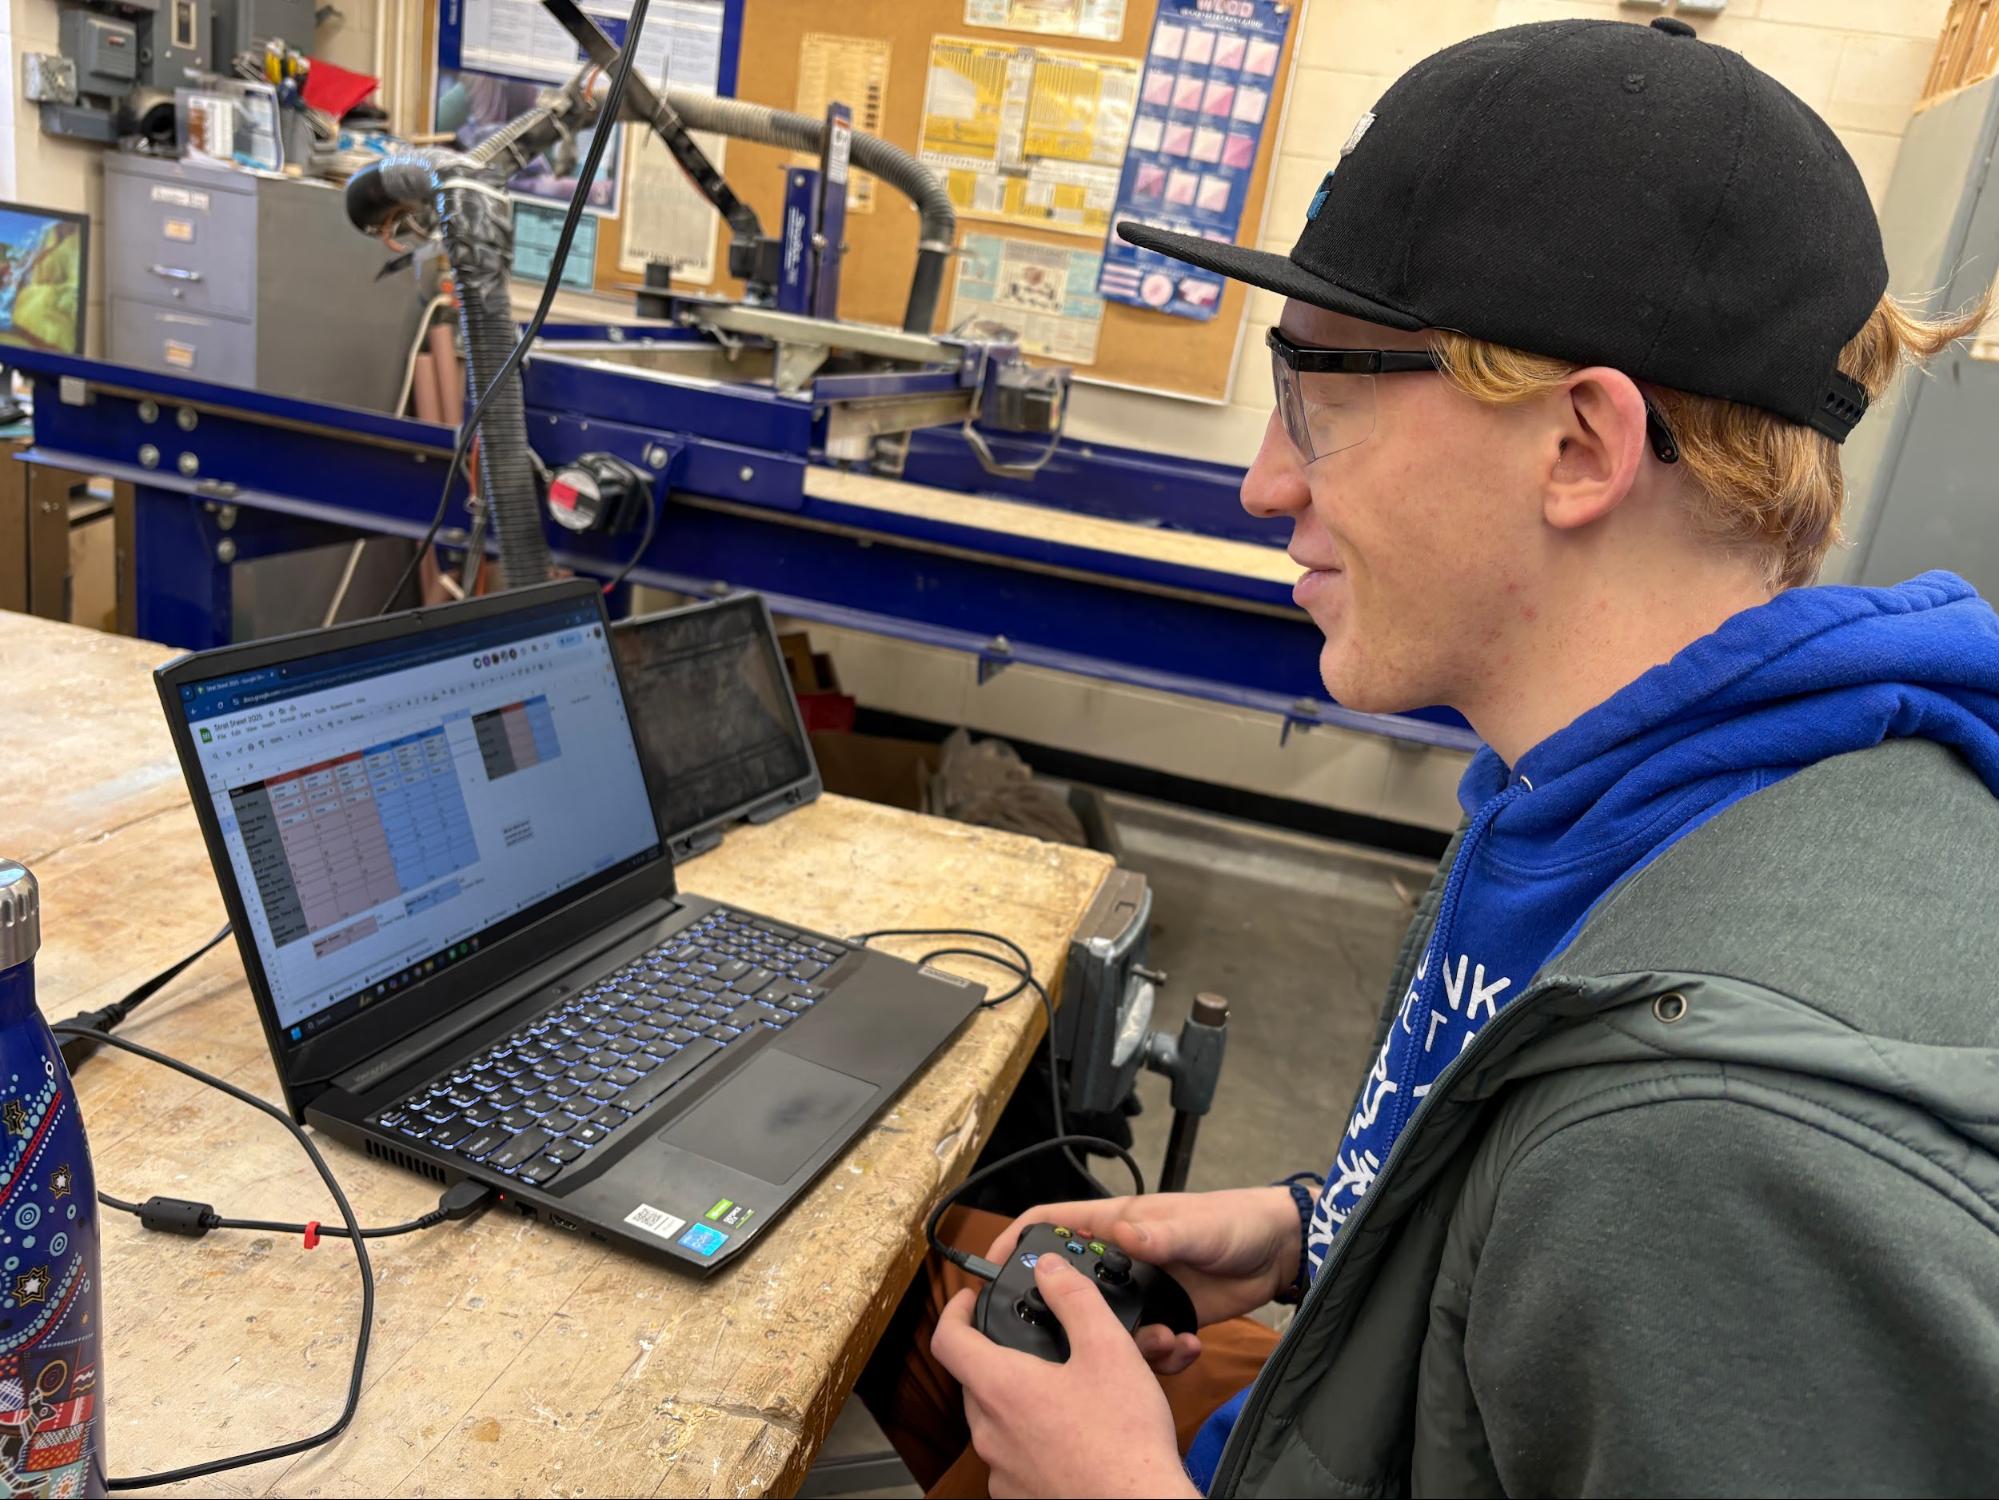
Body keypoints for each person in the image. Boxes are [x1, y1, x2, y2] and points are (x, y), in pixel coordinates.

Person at [857, 16, 1999, 1498]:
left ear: (1582, 446)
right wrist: (1317, 1227)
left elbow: (1645, 1218)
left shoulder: (1723, 1150)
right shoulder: (1611, 799)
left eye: (1322, 403)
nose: (1269, 482)